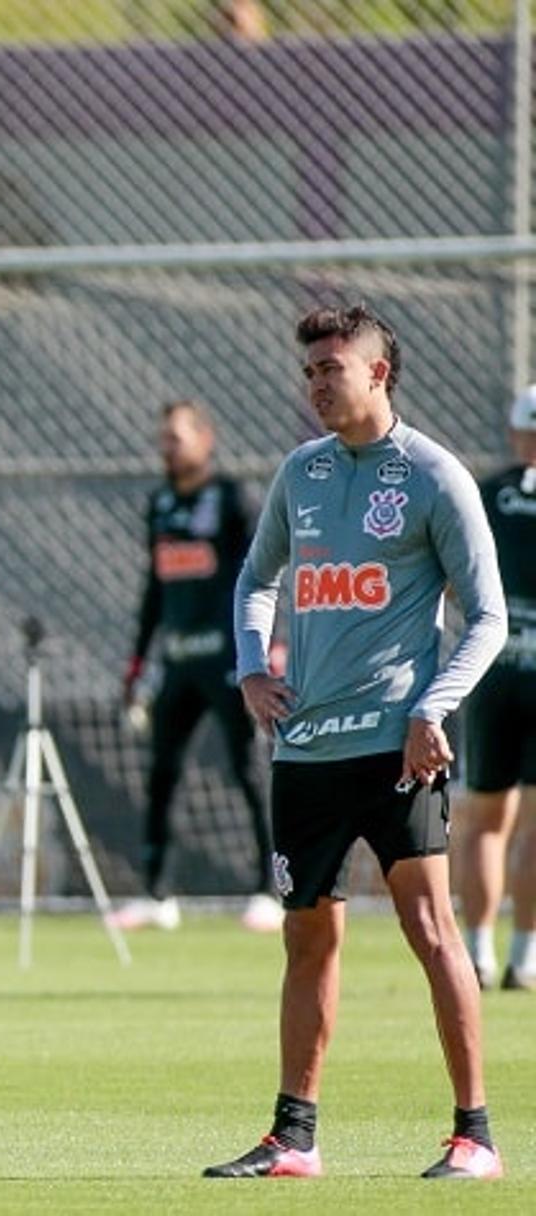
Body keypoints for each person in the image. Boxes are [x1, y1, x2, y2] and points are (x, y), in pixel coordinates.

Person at [208, 304, 507, 1180]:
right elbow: (254, 581)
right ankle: (294, 1138)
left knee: (430, 928)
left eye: (330, 369)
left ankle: (474, 1135)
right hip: (306, 753)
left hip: (398, 751)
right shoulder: (299, 474)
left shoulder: (432, 475)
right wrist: (250, 670)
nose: (315, 385)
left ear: (378, 373)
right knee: (308, 942)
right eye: (309, 372)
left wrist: (433, 709)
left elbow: (486, 617)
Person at [114, 400, 281, 934]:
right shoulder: (161, 503)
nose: (168, 448)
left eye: (177, 438)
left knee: (247, 769)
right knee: (163, 773)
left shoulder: (234, 499)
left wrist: (268, 645)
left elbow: (263, 576)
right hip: (178, 659)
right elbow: (154, 589)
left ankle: (269, 889)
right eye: (163, 439)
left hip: (229, 660)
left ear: (205, 440)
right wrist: (139, 660)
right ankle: (157, 894)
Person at [452, 386, 536, 989]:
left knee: (485, 818)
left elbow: (456, 575)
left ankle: (476, 952)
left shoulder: (487, 493)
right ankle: (526, 955)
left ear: (515, 432)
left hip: (493, 665)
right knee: (534, 823)